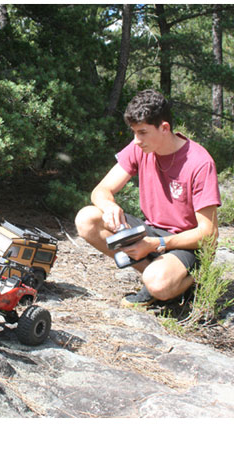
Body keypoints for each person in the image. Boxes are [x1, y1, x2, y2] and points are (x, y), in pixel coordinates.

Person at [75, 90, 220, 304]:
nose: (136, 141)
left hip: (187, 243)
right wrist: (108, 206)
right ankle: (157, 277)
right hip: (150, 231)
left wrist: (156, 244)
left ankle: (187, 280)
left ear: (164, 128)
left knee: (158, 283)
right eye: (134, 132)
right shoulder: (141, 149)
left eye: (142, 132)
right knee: (86, 219)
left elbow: (209, 234)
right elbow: (100, 190)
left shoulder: (199, 162)